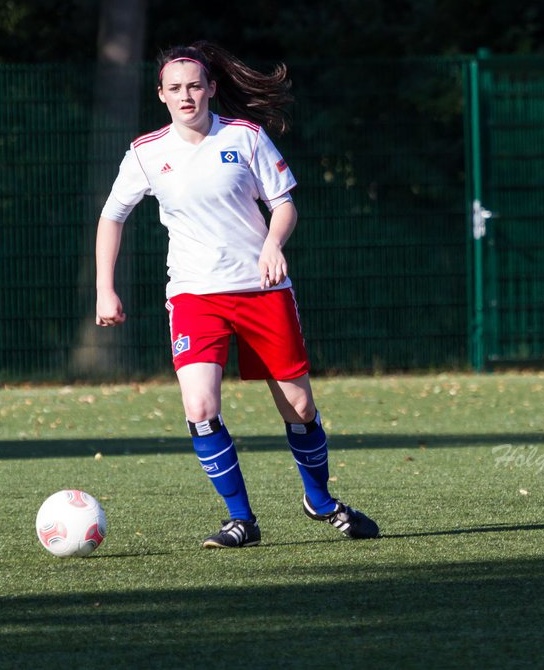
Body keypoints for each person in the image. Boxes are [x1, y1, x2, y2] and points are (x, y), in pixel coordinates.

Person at [93, 40, 379, 548]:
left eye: (195, 86)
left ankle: (319, 499)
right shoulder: (145, 153)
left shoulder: (245, 137)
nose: (187, 96)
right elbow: (111, 217)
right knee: (200, 407)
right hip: (194, 296)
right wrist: (104, 289)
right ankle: (240, 520)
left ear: (211, 89)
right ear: (160, 94)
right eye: (175, 88)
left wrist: (272, 244)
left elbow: (284, 204)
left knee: (299, 408)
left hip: (261, 290)